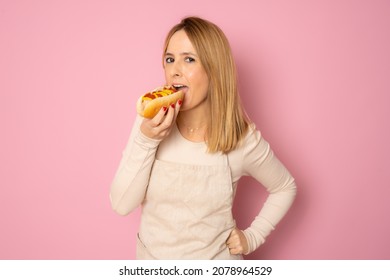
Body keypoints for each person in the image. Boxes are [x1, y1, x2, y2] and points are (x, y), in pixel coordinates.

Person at [110, 16, 297, 260]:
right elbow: (122, 205)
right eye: (169, 59)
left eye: (189, 59)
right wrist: (146, 140)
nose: (175, 70)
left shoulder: (242, 138)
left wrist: (252, 237)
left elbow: (285, 187)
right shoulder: (149, 122)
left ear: (214, 69)